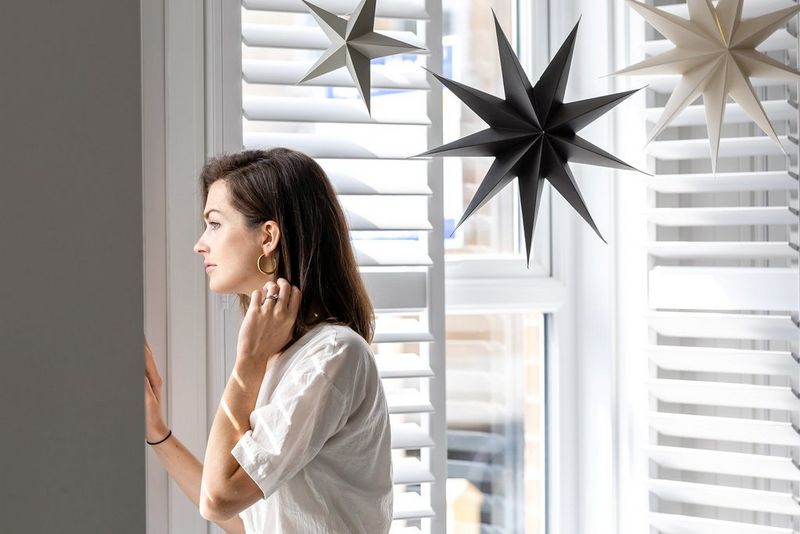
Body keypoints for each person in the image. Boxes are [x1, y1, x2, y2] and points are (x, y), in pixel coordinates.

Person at [143, 148, 394, 534]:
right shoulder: (287, 356)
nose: (200, 244)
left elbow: (218, 498)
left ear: (268, 236)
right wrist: (156, 432)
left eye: (214, 223)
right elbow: (246, 520)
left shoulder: (334, 355)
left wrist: (248, 362)